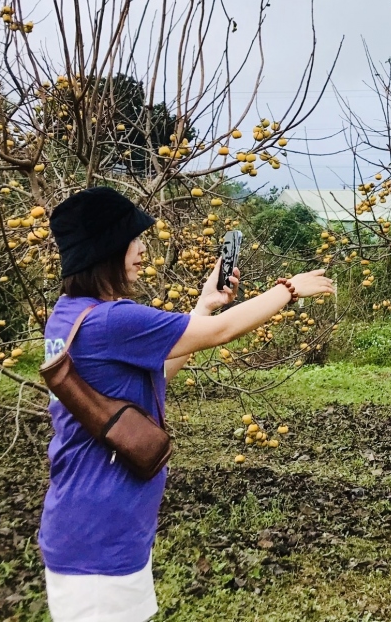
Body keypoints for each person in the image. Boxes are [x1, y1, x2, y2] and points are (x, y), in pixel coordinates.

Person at [40, 186, 335, 622]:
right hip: (98, 544)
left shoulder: (70, 314)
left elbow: (154, 376)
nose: (142, 250)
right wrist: (289, 290)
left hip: (94, 529)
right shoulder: (113, 320)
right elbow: (220, 333)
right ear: (106, 249)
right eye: (133, 240)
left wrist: (203, 304)